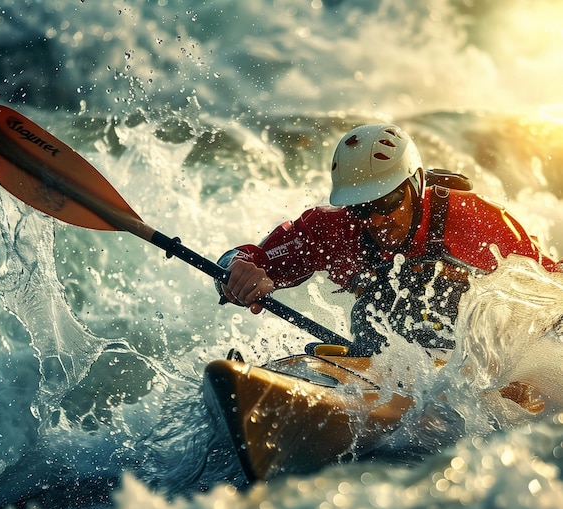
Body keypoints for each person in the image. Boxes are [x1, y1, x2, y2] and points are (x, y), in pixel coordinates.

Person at [216, 124, 560, 356]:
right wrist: (235, 272)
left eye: (385, 202)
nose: (377, 219)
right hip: (384, 359)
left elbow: (550, 290)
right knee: (374, 309)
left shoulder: (473, 219)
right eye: (362, 208)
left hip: (470, 355)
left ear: (416, 184)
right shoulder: (333, 228)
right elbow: (249, 260)